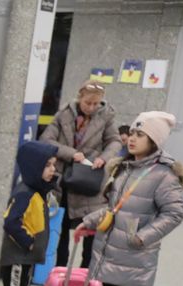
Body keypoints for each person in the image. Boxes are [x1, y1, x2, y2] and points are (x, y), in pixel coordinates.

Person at [81, 111, 183, 286]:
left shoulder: (164, 174)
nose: (132, 139)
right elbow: (114, 208)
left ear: (154, 140)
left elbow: (175, 212)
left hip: (138, 248)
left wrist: (143, 237)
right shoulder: (123, 167)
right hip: (111, 245)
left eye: (141, 135)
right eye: (133, 133)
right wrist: (89, 221)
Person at [41, 81, 122, 270]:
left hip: (90, 179)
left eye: (96, 104)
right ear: (80, 97)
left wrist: (103, 158)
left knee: (90, 229)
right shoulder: (64, 114)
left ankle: (85, 271)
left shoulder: (106, 116)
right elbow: (46, 140)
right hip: (64, 179)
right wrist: (71, 153)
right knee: (60, 227)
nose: (91, 108)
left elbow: (115, 142)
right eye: (88, 103)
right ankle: (59, 268)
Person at [0, 140, 58, 286]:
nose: (52, 170)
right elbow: (11, 221)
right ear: (33, 167)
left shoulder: (38, 191)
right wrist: (29, 243)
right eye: (47, 165)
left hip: (26, 257)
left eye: (53, 165)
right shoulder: (25, 193)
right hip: (18, 257)